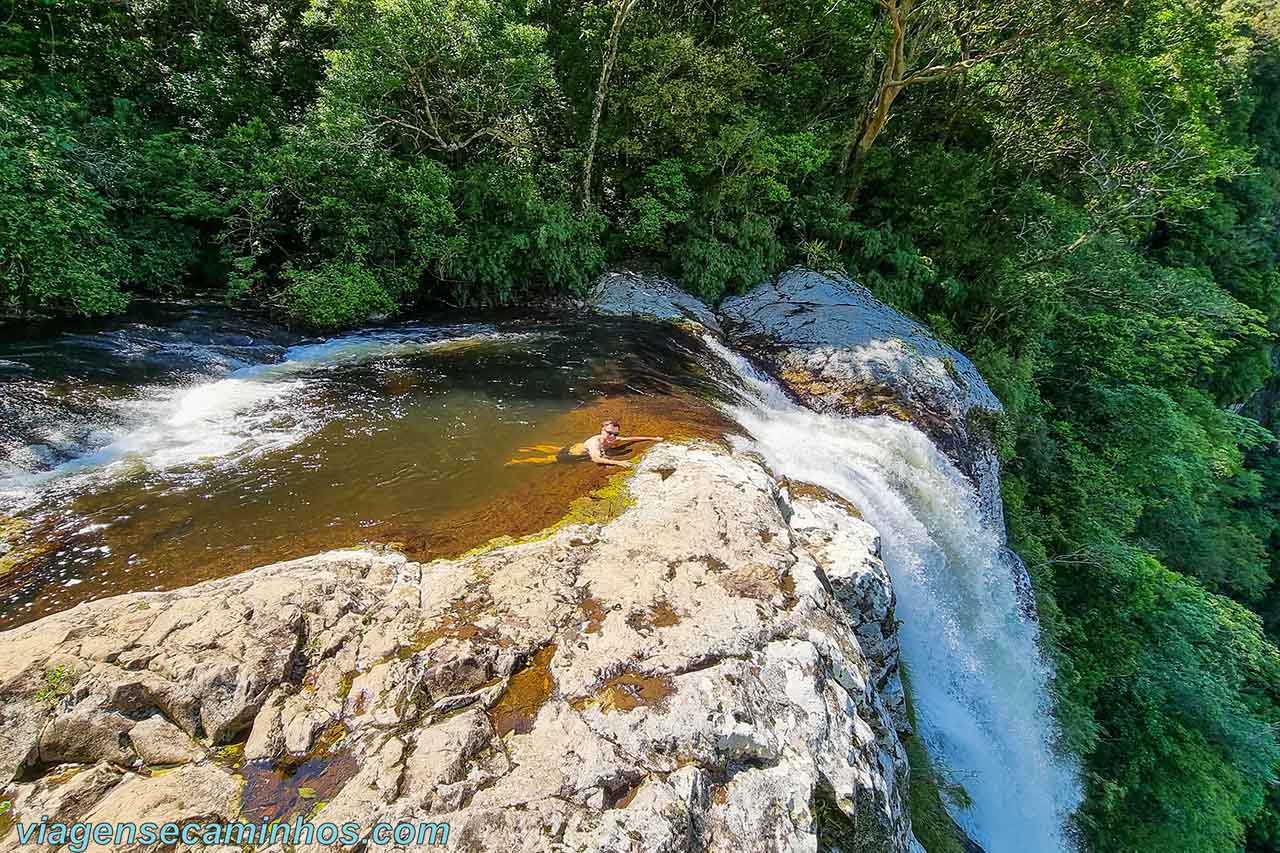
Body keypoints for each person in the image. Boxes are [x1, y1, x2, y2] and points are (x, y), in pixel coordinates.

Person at [507, 419, 663, 467]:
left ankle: (529, 448)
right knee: (546, 460)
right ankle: (517, 461)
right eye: (609, 433)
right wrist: (620, 463)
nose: (613, 436)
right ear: (602, 431)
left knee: (554, 448)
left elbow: (632, 439)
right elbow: (595, 458)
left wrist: (653, 438)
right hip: (569, 455)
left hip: (576, 447)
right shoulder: (595, 443)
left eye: (615, 434)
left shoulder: (614, 439)